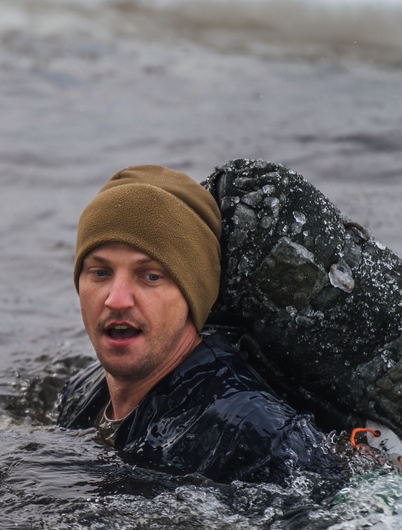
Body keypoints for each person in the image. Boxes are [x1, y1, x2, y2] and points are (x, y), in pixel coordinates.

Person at [56, 164, 344, 485]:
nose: (117, 299)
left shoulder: (258, 436)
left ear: (194, 294)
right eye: (100, 272)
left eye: (150, 276)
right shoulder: (79, 392)